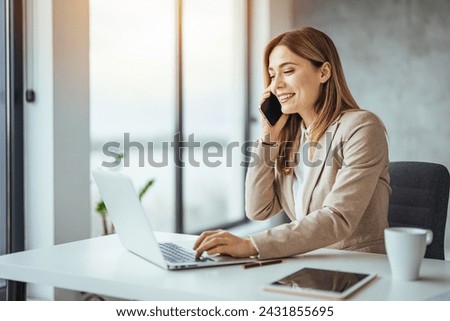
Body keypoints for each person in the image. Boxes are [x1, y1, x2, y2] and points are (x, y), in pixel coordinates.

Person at [194, 27, 390, 260]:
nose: (276, 85)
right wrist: (268, 137)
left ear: (324, 72)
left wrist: (252, 245)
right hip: (306, 263)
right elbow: (258, 209)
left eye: (288, 71)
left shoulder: (361, 127)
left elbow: (338, 217)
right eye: (272, 74)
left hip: (359, 266)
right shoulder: (292, 137)